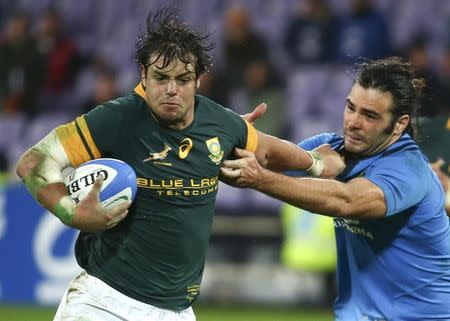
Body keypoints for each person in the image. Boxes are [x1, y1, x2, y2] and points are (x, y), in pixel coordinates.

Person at [15, 7, 344, 321]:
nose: (171, 90)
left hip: (177, 311)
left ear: (199, 78)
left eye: (183, 79)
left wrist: (316, 163)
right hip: (103, 301)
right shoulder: (116, 120)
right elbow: (34, 163)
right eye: (160, 77)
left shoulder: (220, 123)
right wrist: (71, 213)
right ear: (143, 74)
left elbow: (268, 151)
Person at [221, 57, 450, 320]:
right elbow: (272, 154)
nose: (353, 122)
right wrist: (232, 131)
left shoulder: (408, 169)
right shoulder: (335, 147)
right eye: (351, 108)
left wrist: (260, 178)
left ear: (399, 124)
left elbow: (348, 201)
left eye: (369, 115)